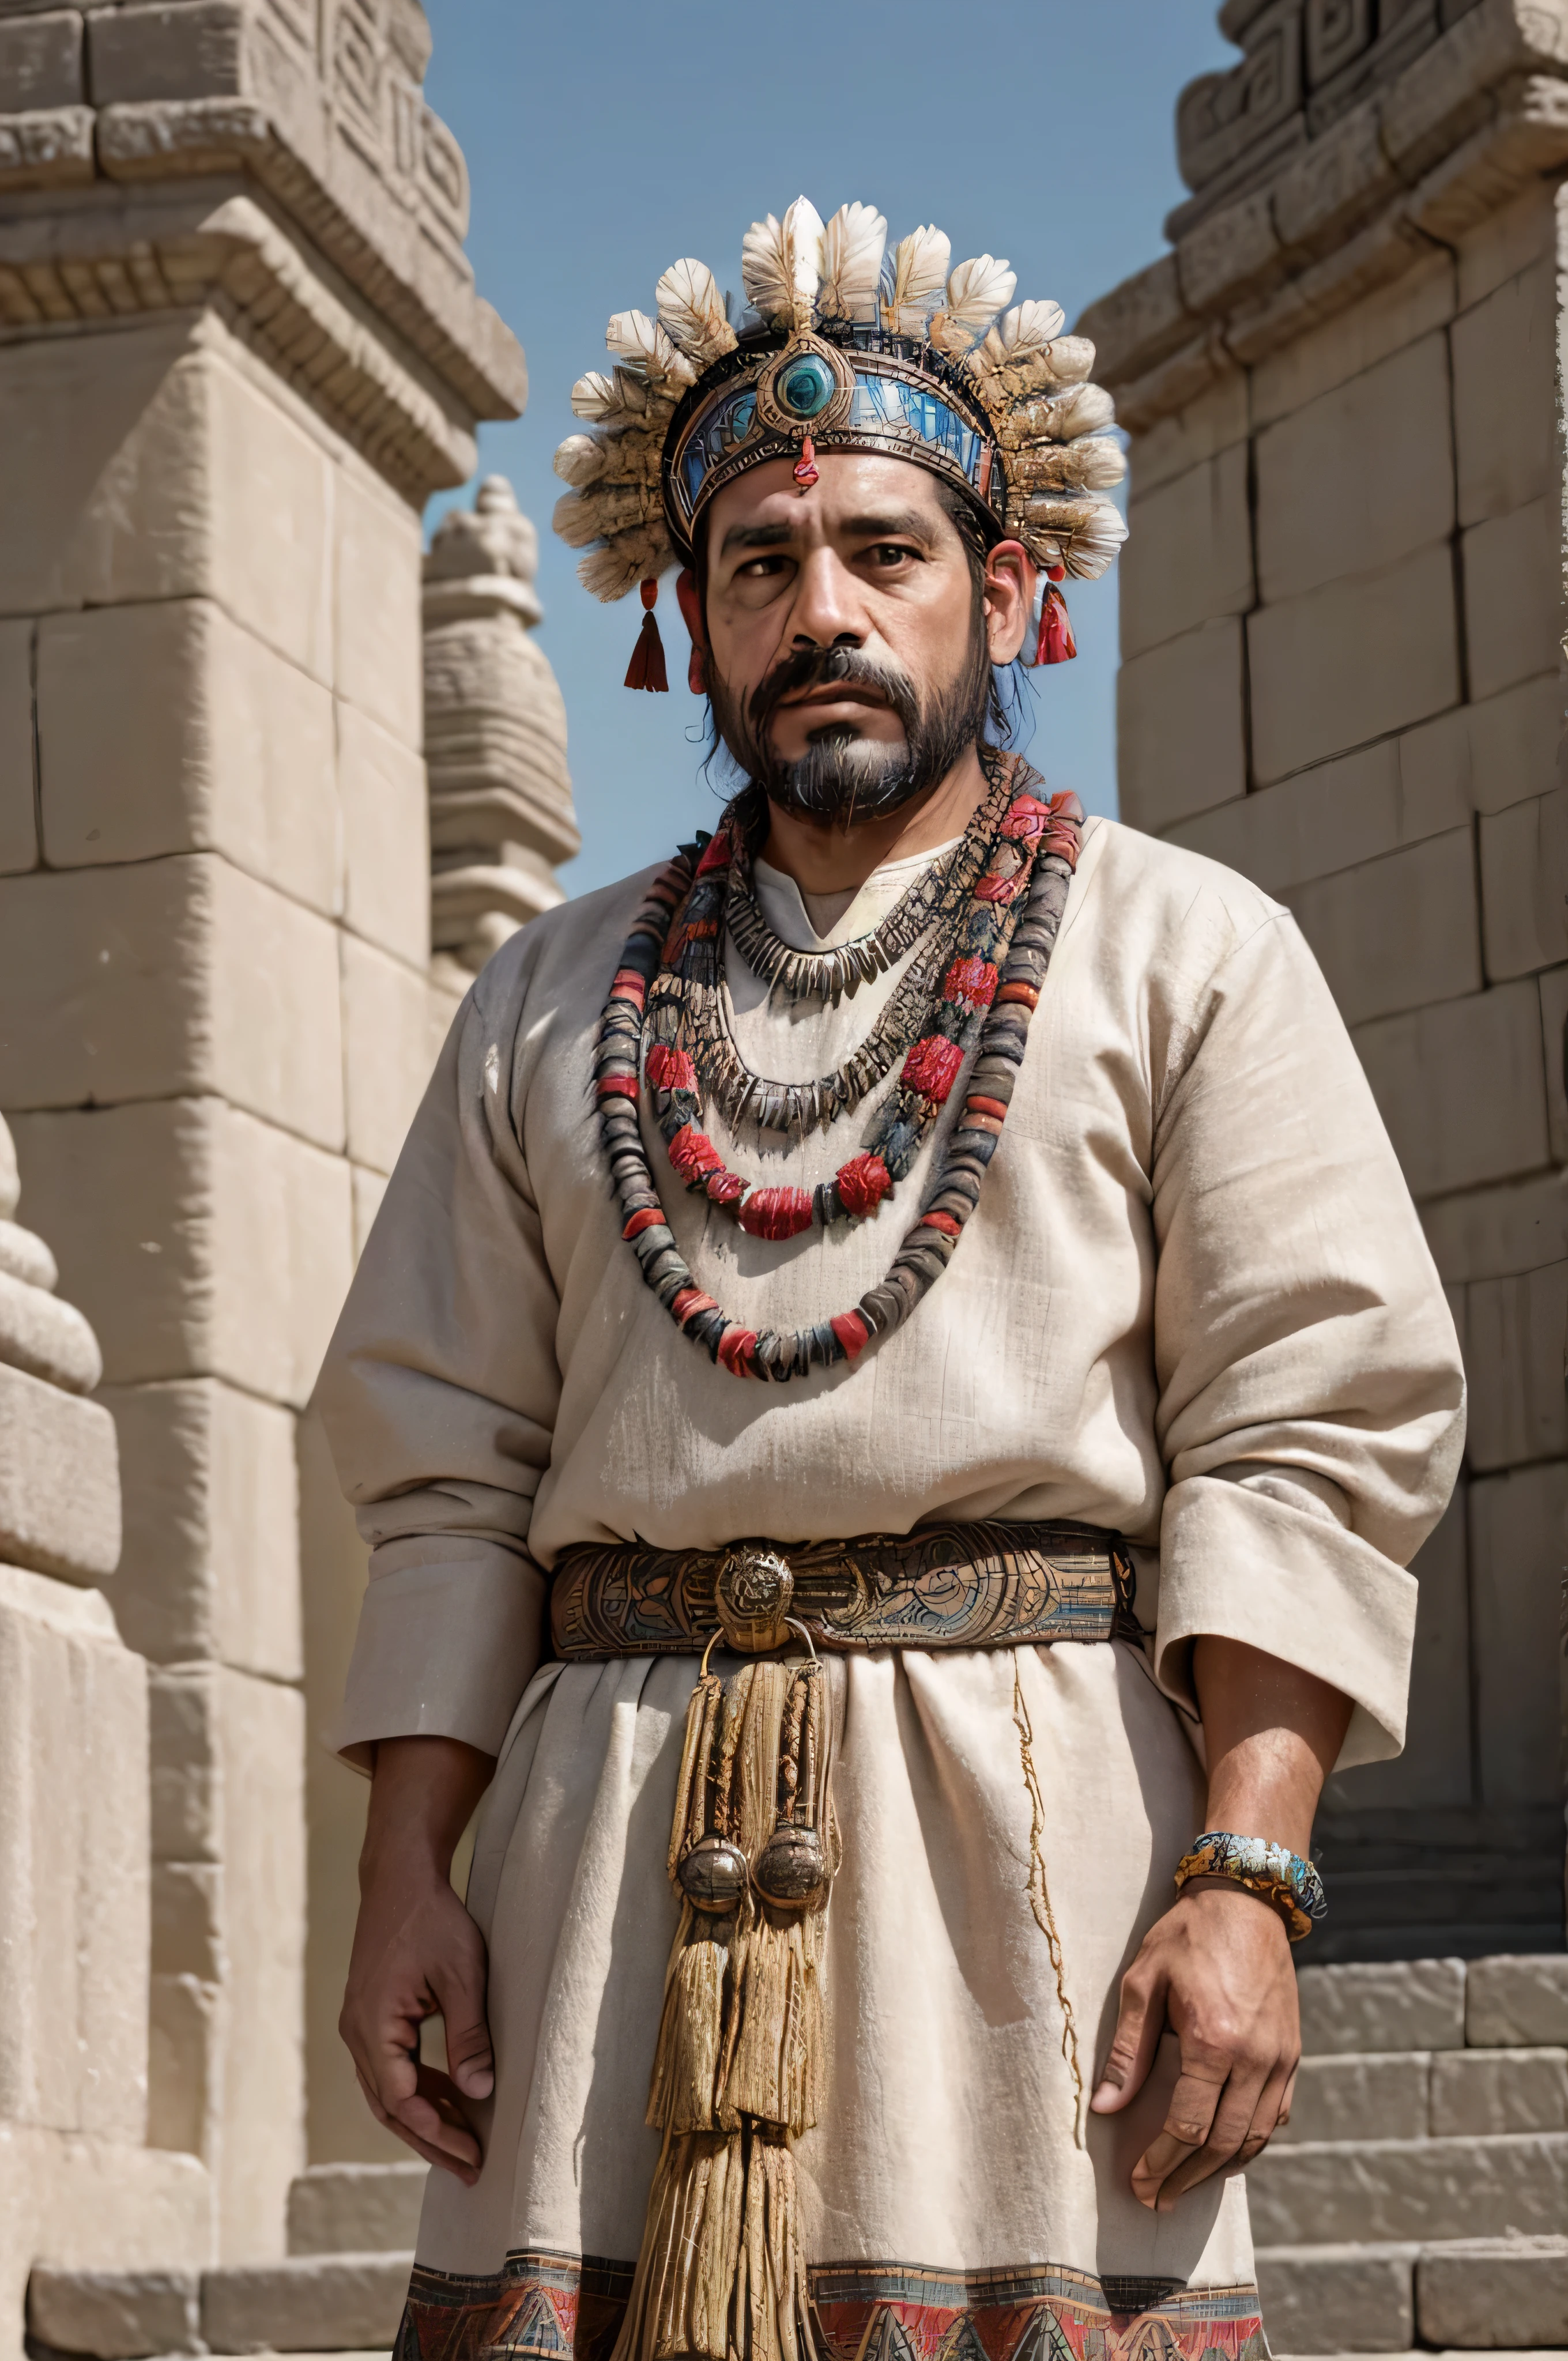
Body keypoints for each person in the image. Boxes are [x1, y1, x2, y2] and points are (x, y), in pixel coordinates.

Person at [318, 198, 1464, 2361]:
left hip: (1036, 1856)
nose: (821, 608)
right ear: (687, 617)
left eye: (883, 552)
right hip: (596, 1874)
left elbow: (1313, 1425)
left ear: (1004, 592)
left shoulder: (1184, 948)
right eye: (761, 563)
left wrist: (1248, 1874)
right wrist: (406, 1876)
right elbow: (446, 1472)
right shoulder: (547, 1000)